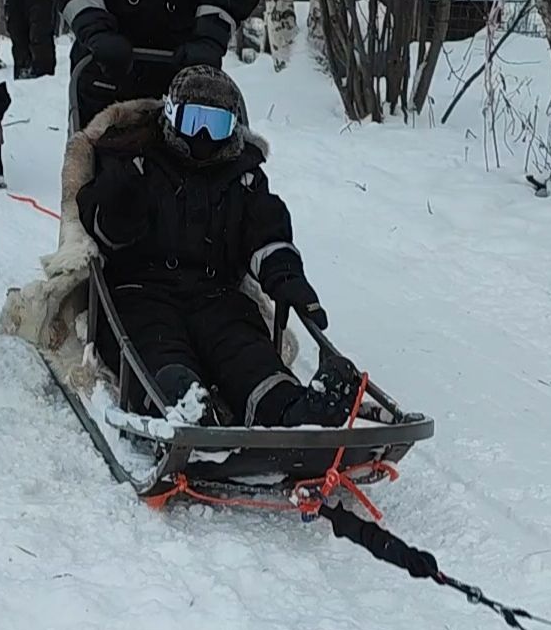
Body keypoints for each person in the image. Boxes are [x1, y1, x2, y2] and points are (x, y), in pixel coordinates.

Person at [75, 65, 360, 428]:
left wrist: (286, 277)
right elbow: (98, 223)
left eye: (217, 124)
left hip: (217, 295)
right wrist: (121, 202)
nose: (204, 135)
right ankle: (182, 405)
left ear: (234, 128)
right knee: (157, 347)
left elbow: (266, 230)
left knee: (244, 349)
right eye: (193, 121)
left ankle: (289, 410)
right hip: (140, 292)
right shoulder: (134, 155)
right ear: (171, 116)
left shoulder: (243, 174)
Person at [48, 0, 262, 130]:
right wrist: (95, 31)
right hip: (105, 67)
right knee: (97, 161)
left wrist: (210, 38)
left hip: (188, 72)